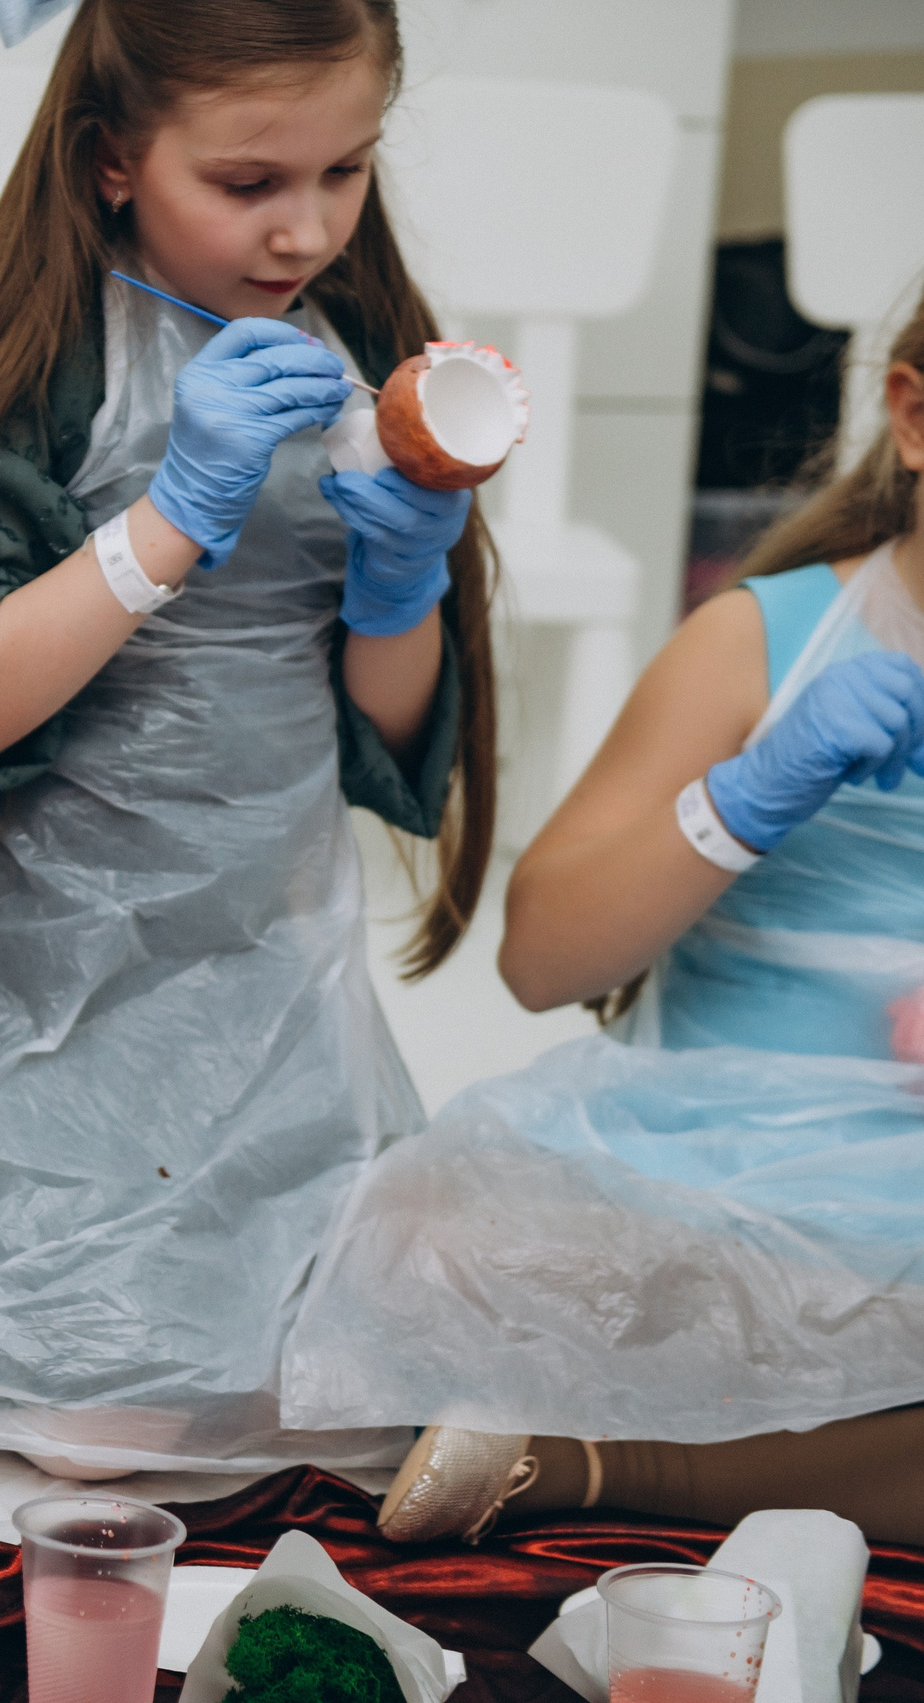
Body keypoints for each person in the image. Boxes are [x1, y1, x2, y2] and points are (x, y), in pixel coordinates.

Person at [0, 0, 498, 1478]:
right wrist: (165, 524)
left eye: (345, 172)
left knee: (330, 1389)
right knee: (82, 1424)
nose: (305, 230)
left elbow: (391, 731)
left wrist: (402, 585)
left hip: (266, 957)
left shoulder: (361, 351)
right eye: (247, 182)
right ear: (111, 160)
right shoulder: (40, 360)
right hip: (41, 966)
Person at [289, 299, 924, 1547]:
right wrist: (740, 801)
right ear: (911, 417)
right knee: (423, 1243)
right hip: (717, 1185)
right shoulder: (762, 643)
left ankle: (596, 1461)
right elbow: (541, 960)